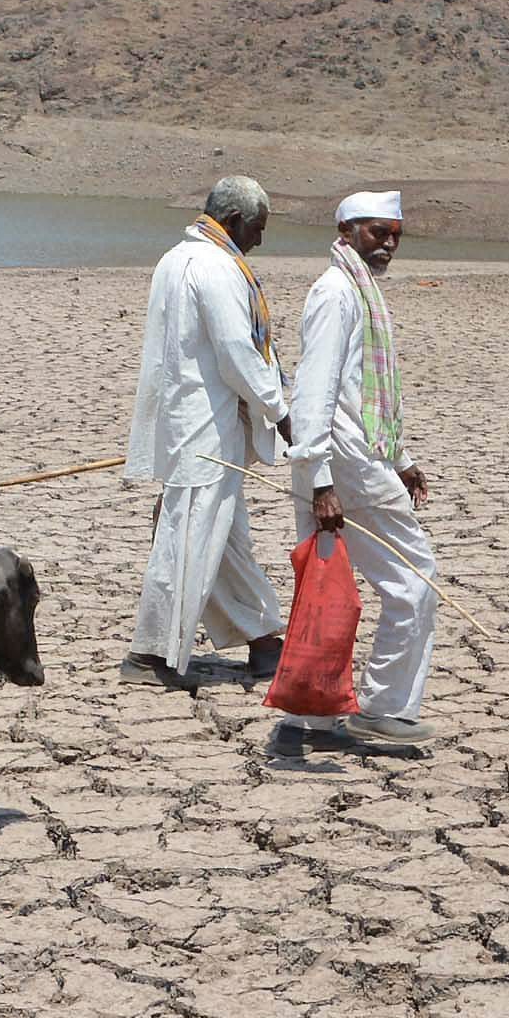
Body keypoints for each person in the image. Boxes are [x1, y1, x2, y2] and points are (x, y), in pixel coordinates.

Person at [122, 175, 289, 689]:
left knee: (226, 539)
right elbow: (238, 355)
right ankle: (150, 654)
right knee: (188, 538)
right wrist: (281, 411)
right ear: (235, 221)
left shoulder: (176, 258)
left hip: (194, 422)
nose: (260, 240)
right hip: (204, 430)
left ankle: (264, 641)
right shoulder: (215, 267)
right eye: (257, 228)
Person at [287, 189, 437, 744]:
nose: (389, 244)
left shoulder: (360, 291)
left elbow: (363, 392)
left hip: (352, 459)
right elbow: (314, 391)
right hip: (342, 463)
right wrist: (320, 481)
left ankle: (311, 718)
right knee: (415, 580)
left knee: (327, 587)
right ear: (347, 231)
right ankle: (383, 706)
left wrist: (402, 459)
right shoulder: (336, 293)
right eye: (378, 232)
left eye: (396, 234)